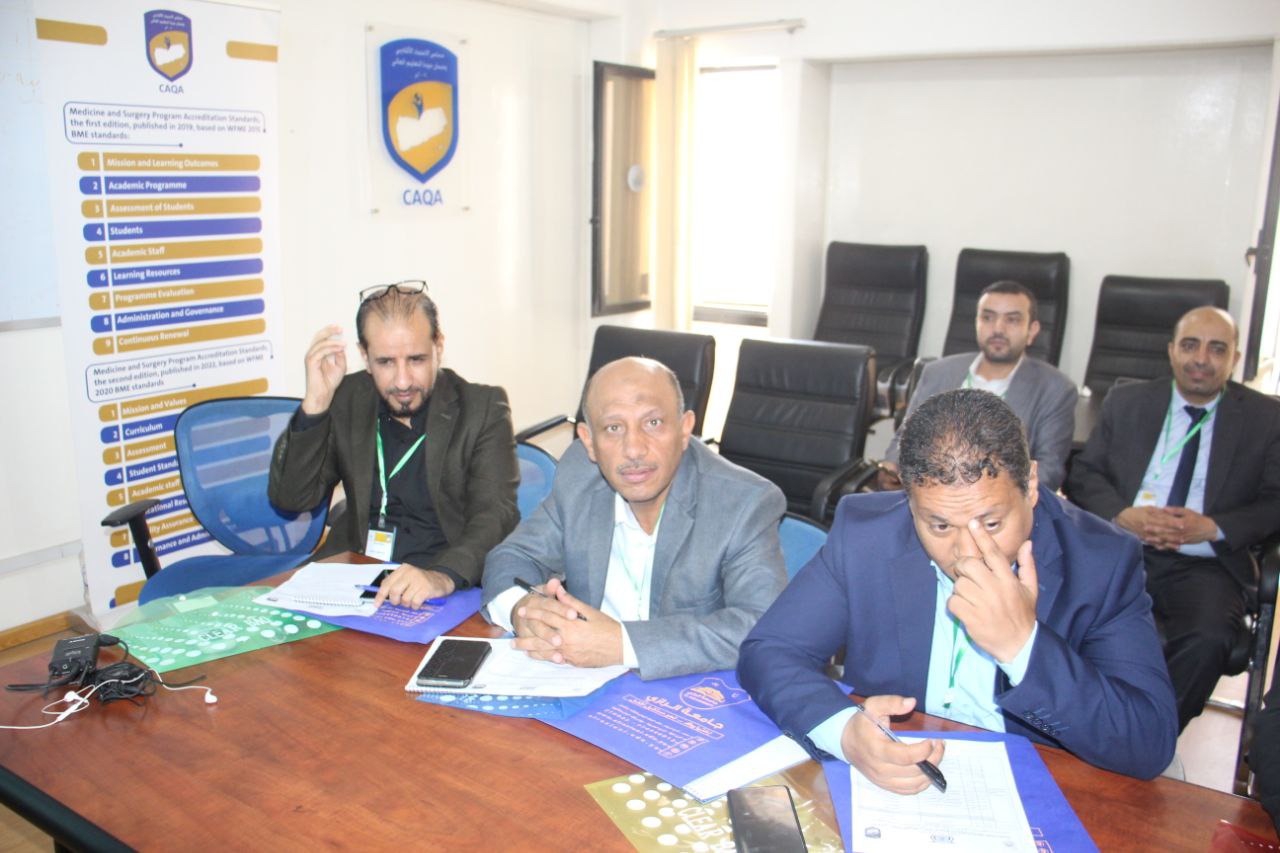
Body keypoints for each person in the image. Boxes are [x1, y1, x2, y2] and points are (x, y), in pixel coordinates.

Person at [739, 389, 1177, 792]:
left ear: (1030, 487)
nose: (968, 554)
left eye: (991, 523)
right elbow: (771, 651)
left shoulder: (1101, 562)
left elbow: (1148, 742)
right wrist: (845, 732)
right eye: (940, 526)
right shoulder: (866, 535)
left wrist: (1023, 647)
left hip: (1037, 787)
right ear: (909, 502)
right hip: (893, 780)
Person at [481, 356, 787, 680]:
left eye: (653, 423)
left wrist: (622, 644)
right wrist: (523, 610)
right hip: (584, 684)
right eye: (613, 428)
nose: (634, 449)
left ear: (685, 429)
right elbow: (513, 556)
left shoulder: (742, 502)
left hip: (689, 691)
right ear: (589, 442)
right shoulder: (580, 475)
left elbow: (763, 625)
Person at [1067, 306, 1280, 731]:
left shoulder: (1265, 418)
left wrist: (1214, 527)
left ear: (1235, 358)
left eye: (1216, 349)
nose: (1201, 358)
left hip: (1207, 564)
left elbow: (1275, 502)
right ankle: (1086, 728)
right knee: (1069, 616)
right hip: (1122, 552)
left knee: (1210, 638)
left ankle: (1149, 736)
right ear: (1171, 351)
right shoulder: (1128, 402)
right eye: (1190, 345)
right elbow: (1085, 474)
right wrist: (1121, 514)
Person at [269, 281, 519, 608]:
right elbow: (292, 499)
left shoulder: (481, 408)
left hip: (438, 582)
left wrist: (442, 576)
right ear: (364, 356)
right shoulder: (347, 398)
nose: (402, 381)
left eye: (416, 359)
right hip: (353, 577)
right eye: (385, 362)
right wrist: (315, 404)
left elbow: (496, 514)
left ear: (438, 346)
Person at [880, 280, 1077, 492]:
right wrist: (891, 465)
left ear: (1031, 331)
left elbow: (1049, 470)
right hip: (925, 495)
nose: (998, 329)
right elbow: (906, 436)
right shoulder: (937, 372)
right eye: (987, 318)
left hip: (1000, 504)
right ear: (977, 322)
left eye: (1012, 320)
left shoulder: (1055, 389)